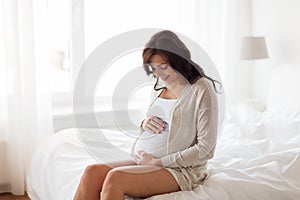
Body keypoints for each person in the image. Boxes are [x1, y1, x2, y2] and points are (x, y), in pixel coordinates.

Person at [74, 30, 220, 200]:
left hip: (178, 169)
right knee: (91, 172)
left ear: (179, 60)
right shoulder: (161, 86)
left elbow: (206, 149)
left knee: (116, 178)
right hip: (146, 161)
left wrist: (158, 163)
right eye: (153, 69)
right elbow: (160, 120)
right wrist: (144, 123)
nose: (158, 74)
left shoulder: (201, 89)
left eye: (163, 67)